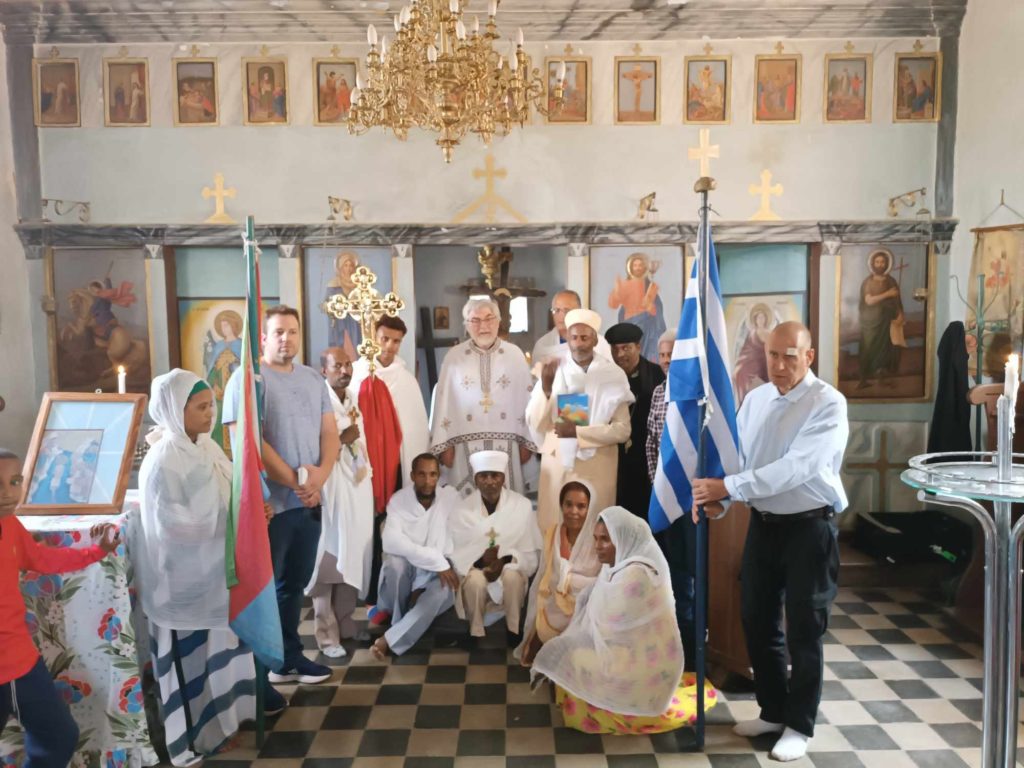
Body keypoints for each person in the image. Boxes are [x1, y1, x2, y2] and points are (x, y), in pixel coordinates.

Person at [692, 322, 848, 762]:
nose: (779, 366)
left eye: (790, 357)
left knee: (804, 628)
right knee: (757, 620)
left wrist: (729, 488)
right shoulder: (757, 398)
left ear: (809, 356)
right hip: (764, 525)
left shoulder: (828, 404)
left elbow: (796, 468)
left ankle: (800, 725)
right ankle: (773, 709)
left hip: (810, 529)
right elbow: (742, 460)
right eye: (773, 356)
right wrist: (720, 501)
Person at [138, 370, 260, 764]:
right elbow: (171, 527)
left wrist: (251, 512)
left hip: (216, 572)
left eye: (212, 405)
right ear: (176, 409)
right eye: (202, 407)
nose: (212, 414)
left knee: (218, 653)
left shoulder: (206, 447)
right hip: (182, 581)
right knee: (191, 661)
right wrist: (231, 520)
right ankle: (199, 734)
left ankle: (227, 720)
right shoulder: (163, 460)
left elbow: (232, 494)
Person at [222, 305, 340, 688]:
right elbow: (250, 442)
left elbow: (330, 434)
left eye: (292, 331)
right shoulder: (247, 380)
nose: (286, 338)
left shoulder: (311, 379)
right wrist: (296, 483)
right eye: (278, 332)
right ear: (263, 337)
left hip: (308, 500)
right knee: (263, 589)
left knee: (294, 583)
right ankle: (257, 669)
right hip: (269, 505)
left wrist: (318, 478)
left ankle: (289, 657)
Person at [531, 507, 712, 734]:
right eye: (596, 538)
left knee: (572, 657)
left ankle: (617, 701)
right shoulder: (617, 566)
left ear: (623, 538)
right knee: (567, 653)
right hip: (628, 652)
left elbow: (611, 629)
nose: (597, 545)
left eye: (605, 539)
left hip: (642, 663)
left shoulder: (636, 575)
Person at [0, 448, 121, 768]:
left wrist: (96, 551)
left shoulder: (11, 526)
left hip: (23, 665)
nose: (7, 493)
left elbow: (43, 559)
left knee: (59, 736)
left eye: (14, 482)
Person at [526, 309, 634, 531]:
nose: (578, 344)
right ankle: (553, 568)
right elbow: (535, 422)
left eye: (585, 338)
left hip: (598, 466)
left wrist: (578, 433)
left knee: (595, 526)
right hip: (558, 464)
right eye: (574, 337)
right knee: (555, 525)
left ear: (595, 339)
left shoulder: (612, 374)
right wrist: (546, 390)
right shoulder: (553, 370)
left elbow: (623, 430)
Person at [430, 298, 536, 497]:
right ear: (466, 326)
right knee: (466, 504)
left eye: (489, 319)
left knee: (507, 502)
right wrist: (446, 445)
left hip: (507, 447)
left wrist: (526, 442)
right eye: (475, 320)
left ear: (498, 321)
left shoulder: (515, 355)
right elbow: (444, 402)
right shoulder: (454, 357)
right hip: (464, 447)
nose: (483, 326)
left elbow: (527, 400)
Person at [307, 347, 374, 658]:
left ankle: (346, 622)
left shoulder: (351, 398)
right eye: (337, 365)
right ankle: (325, 634)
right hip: (331, 487)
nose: (345, 370)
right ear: (324, 370)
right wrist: (342, 440)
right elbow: (311, 447)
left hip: (354, 485)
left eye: (348, 364)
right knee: (329, 559)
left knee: (353, 552)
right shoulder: (316, 402)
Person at [370, 453, 461, 658]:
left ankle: (390, 637)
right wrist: (434, 560)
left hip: (438, 570)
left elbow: (456, 538)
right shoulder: (399, 500)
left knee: (443, 590)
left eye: (432, 475)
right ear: (412, 475)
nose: (428, 481)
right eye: (421, 474)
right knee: (395, 565)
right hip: (417, 566)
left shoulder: (450, 498)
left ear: (439, 476)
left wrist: (441, 564)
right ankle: (404, 621)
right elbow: (391, 541)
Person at [645, 329, 698, 671]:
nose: (666, 360)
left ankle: (695, 650)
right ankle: (673, 644)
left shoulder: (697, 394)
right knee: (672, 573)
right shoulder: (659, 392)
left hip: (693, 501)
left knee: (694, 576)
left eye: (671, 353)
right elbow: (652, 442)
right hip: (665, 498)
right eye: (662, 354)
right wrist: (658, 483)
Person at [449, 451, 542, 640]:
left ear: (503, 478)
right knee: (475, 581)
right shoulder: (461, 511)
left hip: (510, 566)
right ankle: (475, 632)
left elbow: (530, 555)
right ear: (475, 479)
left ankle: (514, 630)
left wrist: (506, 560)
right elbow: (457, 554)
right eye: (483, 476)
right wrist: (482, 561)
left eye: (495, 475)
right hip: (475, 568)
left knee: (513, 577)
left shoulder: (521, 505)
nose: (490, 481)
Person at [516, 480, 601, 666]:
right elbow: (548, 575)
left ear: (590, 508)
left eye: (581, 506)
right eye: (568, 504)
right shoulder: (553, 533)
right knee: (551, 607)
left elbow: (602, 581)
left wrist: (569, 581)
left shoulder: (600, 537)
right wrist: (563, 583)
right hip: (555, 597)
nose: (574, 511)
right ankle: (542, 642)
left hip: (589, 603)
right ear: (561, 505)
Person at [351, 315, 429, 480]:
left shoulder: (407, 380)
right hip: (367, 455)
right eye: (384, 339)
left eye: (396, 341)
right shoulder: (356, 375)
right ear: (374, 338)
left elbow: (416, 429)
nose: (389, 346)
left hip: (397, 460)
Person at [606, 322, 665, 518]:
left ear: (638, 347)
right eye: (615, 349)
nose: (620, 354)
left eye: (626, 348)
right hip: (613, 459)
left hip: (645, 461)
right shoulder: (604, 378)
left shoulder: (657, 376)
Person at [857, 250, 905, 389]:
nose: (880, 264)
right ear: (873, 264)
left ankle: (883, 377)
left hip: (887, 321)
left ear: (887, 264)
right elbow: (869, 301)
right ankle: (864, 379)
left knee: (886, 349)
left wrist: (901, 314)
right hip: (870, 323)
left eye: (882, 262)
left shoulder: (891, 281)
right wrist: (888, 293)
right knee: (869, 348)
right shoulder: (868, 281)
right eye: (877, 262)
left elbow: (897, 301)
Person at [607, 253, 667, 362]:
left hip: (647, 326)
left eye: (640, 265)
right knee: (631, 353)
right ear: (630, 267)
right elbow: (613, 304)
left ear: (644, 267)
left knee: (645, 353)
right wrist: (617, 291)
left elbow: (656, 309)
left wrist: (649, 306)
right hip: (629, 323)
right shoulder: (625, 285)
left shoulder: (650, 286)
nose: (638, 268)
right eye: (635, 265)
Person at [531, 290, 611, 366]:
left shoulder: (599, 343)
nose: (561, 316)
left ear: (579, 311)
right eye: (557, 310)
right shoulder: (542, 345)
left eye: (566, 311)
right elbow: (537, 377)